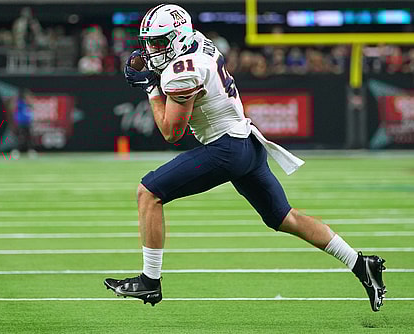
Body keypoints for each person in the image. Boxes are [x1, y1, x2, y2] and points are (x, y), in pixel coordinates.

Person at [104, 4, 387, 312]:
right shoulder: (199, 42)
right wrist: (158, 75)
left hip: (227, 148)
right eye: (149, 41)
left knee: (148, 193)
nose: (152, 50)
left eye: (159, 42)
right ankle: (361, 263)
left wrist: (150, 88)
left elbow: (172, 132)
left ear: (179, 37)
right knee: (285, 217)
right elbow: (179, 68)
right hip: (248, 143)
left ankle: (150, 280)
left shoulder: (182, 73)